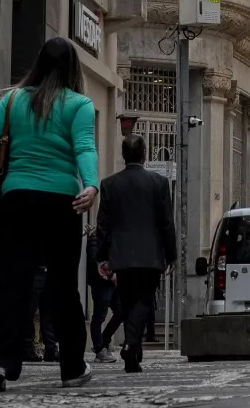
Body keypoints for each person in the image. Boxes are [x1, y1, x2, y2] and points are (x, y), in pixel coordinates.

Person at [0, 37, 99, 392]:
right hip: (62, 202)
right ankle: (72, 367)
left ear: (39, 63)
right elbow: (84, 148)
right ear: (73, 68)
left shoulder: (12, 100)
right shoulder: (80, 104)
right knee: (63, 286)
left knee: (12, 283)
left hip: (17, 200)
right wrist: (91, 185)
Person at [93, 132, 176, 373]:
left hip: (121, 255)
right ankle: (131, 345)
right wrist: (170, 253)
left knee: (129, 301)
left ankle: (134, 354)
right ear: (144, 155)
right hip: (150, 255)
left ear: (124, 155)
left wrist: (102, 256)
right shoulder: (159, 183)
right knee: (143, 301)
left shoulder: (110, 184)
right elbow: (166, 222)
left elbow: (103, 224)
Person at [84, 232, 120, 363]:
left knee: (121, 312)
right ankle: (99, 349)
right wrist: (111, 273)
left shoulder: (115, 236)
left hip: (112, 283)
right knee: (99, 316)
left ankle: (103, 340)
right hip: (101, 283)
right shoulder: (95, 238)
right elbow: (95, 261)